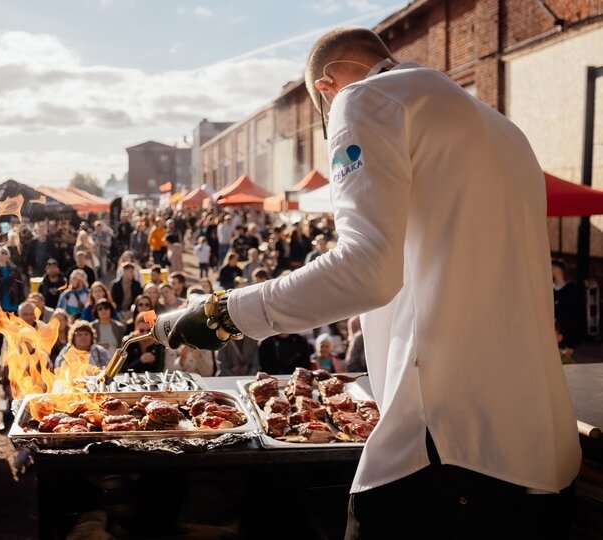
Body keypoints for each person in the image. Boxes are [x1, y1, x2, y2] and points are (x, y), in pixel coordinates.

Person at [162, 26, 581, 539]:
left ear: (325, 87)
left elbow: (366, 271)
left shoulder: (361, 98)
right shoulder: (500, 128)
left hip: (451, 449)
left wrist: (224, 313)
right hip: (540, 452)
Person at [551, 258, 584, 358]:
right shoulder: (551, 290)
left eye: (553, 268)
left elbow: (576, 317)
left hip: (567, 339)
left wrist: (571, 344)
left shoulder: (572, 290)